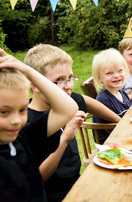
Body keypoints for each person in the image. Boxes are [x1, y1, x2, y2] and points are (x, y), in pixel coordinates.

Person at [23, 44, 121, 202]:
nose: (68, 85)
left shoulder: (69, 100)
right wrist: (63, 141)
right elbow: (36, 179)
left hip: (79, 184)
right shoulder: (25, 121)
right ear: (35, 85)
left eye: (70, 77)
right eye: (59, 80)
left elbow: (87, 101)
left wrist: (120, 121)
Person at [0, 49, 77, 201]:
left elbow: (68, 109)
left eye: (22, 110)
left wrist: (27, 71)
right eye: (4, 112)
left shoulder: (21, 137)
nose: (16, 120)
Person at [92, 48, 132, 143]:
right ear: (100, 78)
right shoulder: (104, 99)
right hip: (110, 143)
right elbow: (110, 129)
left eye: (120, 71)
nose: (116, 76)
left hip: (125, 135)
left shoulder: (122, 93)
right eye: (109, 73)